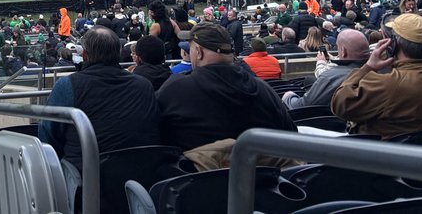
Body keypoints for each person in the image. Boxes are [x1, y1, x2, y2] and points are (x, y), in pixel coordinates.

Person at [156, 21, 295, 153]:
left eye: (191, 48)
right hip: (259, 174)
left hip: (196, 175)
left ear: (199, 52)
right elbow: (291, 137)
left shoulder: (175, 89)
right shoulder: (262, 88)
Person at [41, 27, 159, 173]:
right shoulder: (143, 85)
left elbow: (48, 136)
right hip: (139, 176)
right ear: (118, 53)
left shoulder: (67, 86)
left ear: (84, 56)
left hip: (84, 180)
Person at [331, 13, 422, 139]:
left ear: (393, 45)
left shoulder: (387, 84)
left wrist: (368, 67)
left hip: (382, 156)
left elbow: (340, 104)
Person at [283, 29, 369, 110]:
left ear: (343, 51)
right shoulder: (379, 71)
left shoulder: (330, 77)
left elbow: (303, 106)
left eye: (338, 47)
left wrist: (289, 97)